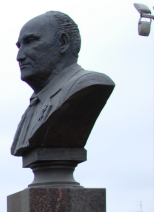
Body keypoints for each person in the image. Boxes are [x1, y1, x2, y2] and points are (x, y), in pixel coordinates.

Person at [11, 11, 114, 157]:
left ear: (63, 42)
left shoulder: (88, 85)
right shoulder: (33, 105)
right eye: (19, 46)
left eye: (31, 41)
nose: (19, 56)